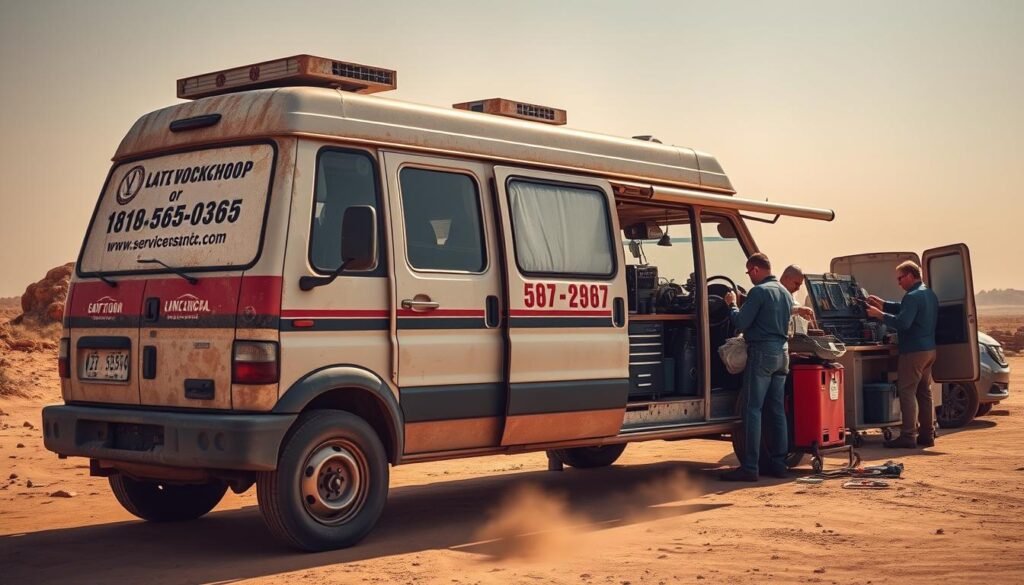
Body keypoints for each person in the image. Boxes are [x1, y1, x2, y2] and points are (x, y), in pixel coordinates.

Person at [720, 253, 794, 482]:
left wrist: (732, 305)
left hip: (762, 353)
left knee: (753, 409)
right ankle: (779, 464)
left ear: (754, 270)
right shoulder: (784, 292)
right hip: (783, 354)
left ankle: (750, 467)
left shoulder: (759, 291)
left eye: (748, 273)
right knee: (777, 410)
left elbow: (741, 322)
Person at [865, 260, 939, 448]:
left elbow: (903, 322)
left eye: (900, 278)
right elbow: (906, 309)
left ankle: (907, 436)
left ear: (910, 276)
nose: (898, 283)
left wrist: (879, 315)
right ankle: (927, 434)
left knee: (907, 392)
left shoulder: (912, 296)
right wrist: (884, 305)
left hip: (913, 352)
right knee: (924, 393)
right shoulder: (928, 294)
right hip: (929, 350)